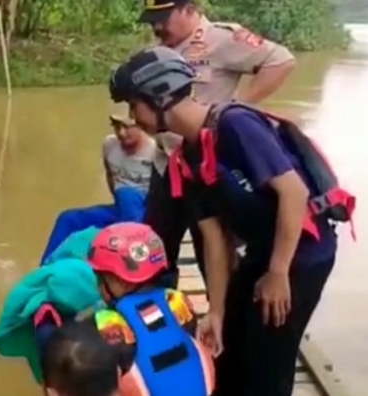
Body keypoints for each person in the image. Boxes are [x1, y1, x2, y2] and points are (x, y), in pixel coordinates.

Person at [109, 46, 346, 396]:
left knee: (269, 359)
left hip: (304, 250)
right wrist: (216, 312)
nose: (133, 116)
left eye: (134, 105)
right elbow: (215, 239)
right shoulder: (187, 158)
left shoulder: (236, 124)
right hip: (263, 249)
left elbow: (293, 194)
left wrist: (279, 274)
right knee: (229, 345)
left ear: (158, 97)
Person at [134, 0, 297, 286]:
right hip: (168, 165)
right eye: (152, 20)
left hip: (206, 168)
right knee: (154, 249)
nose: (157, 26)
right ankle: (158, 316)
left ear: (189, 9)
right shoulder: (160, 51)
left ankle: (223, 317)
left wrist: (235, 109)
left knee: (214, 248)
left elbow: (281, 60)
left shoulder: (222, 39)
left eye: (163, 18)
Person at [36, 223, 215, 396]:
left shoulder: (106, 323)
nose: (98, 286)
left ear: (121, 282)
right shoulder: (177, 300)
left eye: (100, 278)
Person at [40, 115, 156, 264]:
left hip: (145, 210)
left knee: (127, 194)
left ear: (140, 126)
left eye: (127, 127)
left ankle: (123, 258)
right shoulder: (109, 144)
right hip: (121, 209)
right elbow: (110, 176)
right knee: (68, 218)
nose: (121, 133)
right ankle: (47, 268)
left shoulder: (154, 150)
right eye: (116, 127)